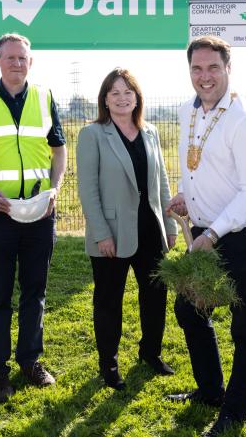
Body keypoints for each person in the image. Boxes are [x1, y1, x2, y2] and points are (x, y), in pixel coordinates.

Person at [166, 36, 246, 437]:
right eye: (197, 68)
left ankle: (235, 411)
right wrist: (185, 195)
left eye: (213, 68)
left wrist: (212, 233)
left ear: (229, 68)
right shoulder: (187, 111)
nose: (205, 77)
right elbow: (194, 165)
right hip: (206, 232)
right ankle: (212, 390)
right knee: (189, 309)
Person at [0, 33, 67, 402]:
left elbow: (59, 152)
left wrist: (54, 189)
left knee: (35, 292)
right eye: (10, 58)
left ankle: (30, 361)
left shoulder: (45, 97)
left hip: (39, 211)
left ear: (30, 62)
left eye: (22, 58)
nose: (17, 63)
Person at [76, 68, 177, 390]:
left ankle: (151, 353)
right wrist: (101, 233)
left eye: (128, 92)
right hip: (112, 234)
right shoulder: (92, 135)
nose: (122, 98)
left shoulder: (150, 133)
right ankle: (109, 364)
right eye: (115, 93)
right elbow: (88, 189)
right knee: (108, 301)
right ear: (105, 99)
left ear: (137, 97)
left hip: (151, 230)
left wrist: (170, 224)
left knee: (155, 296)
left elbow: (161, 181)